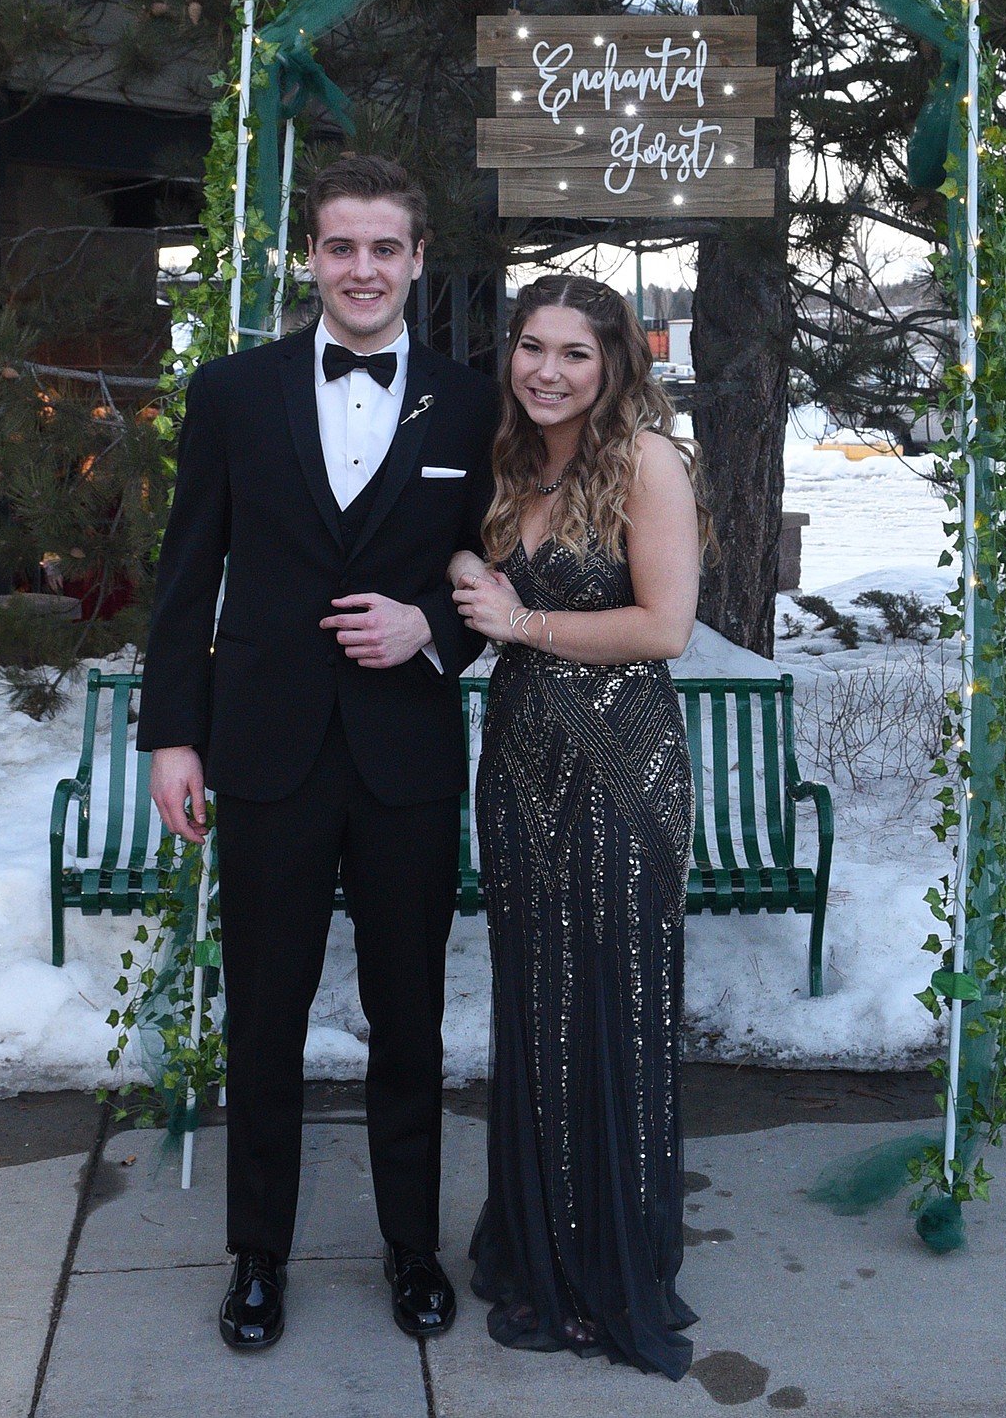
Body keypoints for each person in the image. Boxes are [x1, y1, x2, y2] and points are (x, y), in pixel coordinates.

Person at [138, 155, 498, 1351]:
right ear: (312, 256)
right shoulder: (233, 393)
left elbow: (505, 581)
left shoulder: (467, 401)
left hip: (405, 758)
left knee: (409, 1018)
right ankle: (257, 1256)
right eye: (341, 247)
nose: (361, 269)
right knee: (266, 1014)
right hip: (267, 749)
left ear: (415, 259)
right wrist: (173, 735)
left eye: (384, 248)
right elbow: (188, 577)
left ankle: (410, 1248)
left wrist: (431, 630)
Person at [451, 273, 712, 1381]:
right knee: (537, 1002)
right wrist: (470, 566)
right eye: (531, 347)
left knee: (610, 1003)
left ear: (613, 366)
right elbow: (470, 571)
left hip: (622, 765)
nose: (548, 369)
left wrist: (524, 618)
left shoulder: (647, 461)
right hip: (517, 761)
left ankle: (611, 1260)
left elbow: (665, 626)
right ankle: (540, 1244)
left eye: (574, 353)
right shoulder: (510, 459)